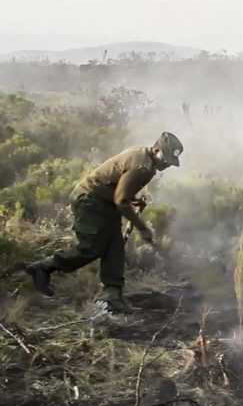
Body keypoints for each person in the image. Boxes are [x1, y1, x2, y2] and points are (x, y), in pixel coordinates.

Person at [25, 132, 183, 313]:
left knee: (114, 248)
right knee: (92, 248)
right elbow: (120, 200)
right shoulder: (142, 166)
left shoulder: (143, 156)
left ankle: (112, 296)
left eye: (172, 162)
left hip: (104, 203)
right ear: (156, 149)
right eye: (167, 158)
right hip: (90, 201)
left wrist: (133, 199)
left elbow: (119, 189)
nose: (168, 164)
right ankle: (42, 268)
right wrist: (142, 227)